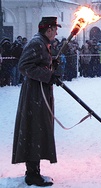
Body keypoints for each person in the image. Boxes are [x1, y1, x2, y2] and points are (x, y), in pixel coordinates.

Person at [12, 16, 62, 186]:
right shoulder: (36, 43)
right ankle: (32, 173)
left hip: (39, 94)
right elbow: (24, 66)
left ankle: (35, 170)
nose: (57, 32)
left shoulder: (43, 43)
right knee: (34, 129)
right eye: (55, 29)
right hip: (34, 96)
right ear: (48, 30)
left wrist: (51, 65)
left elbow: (38, 64)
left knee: (38, 130)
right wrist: (48, 75)